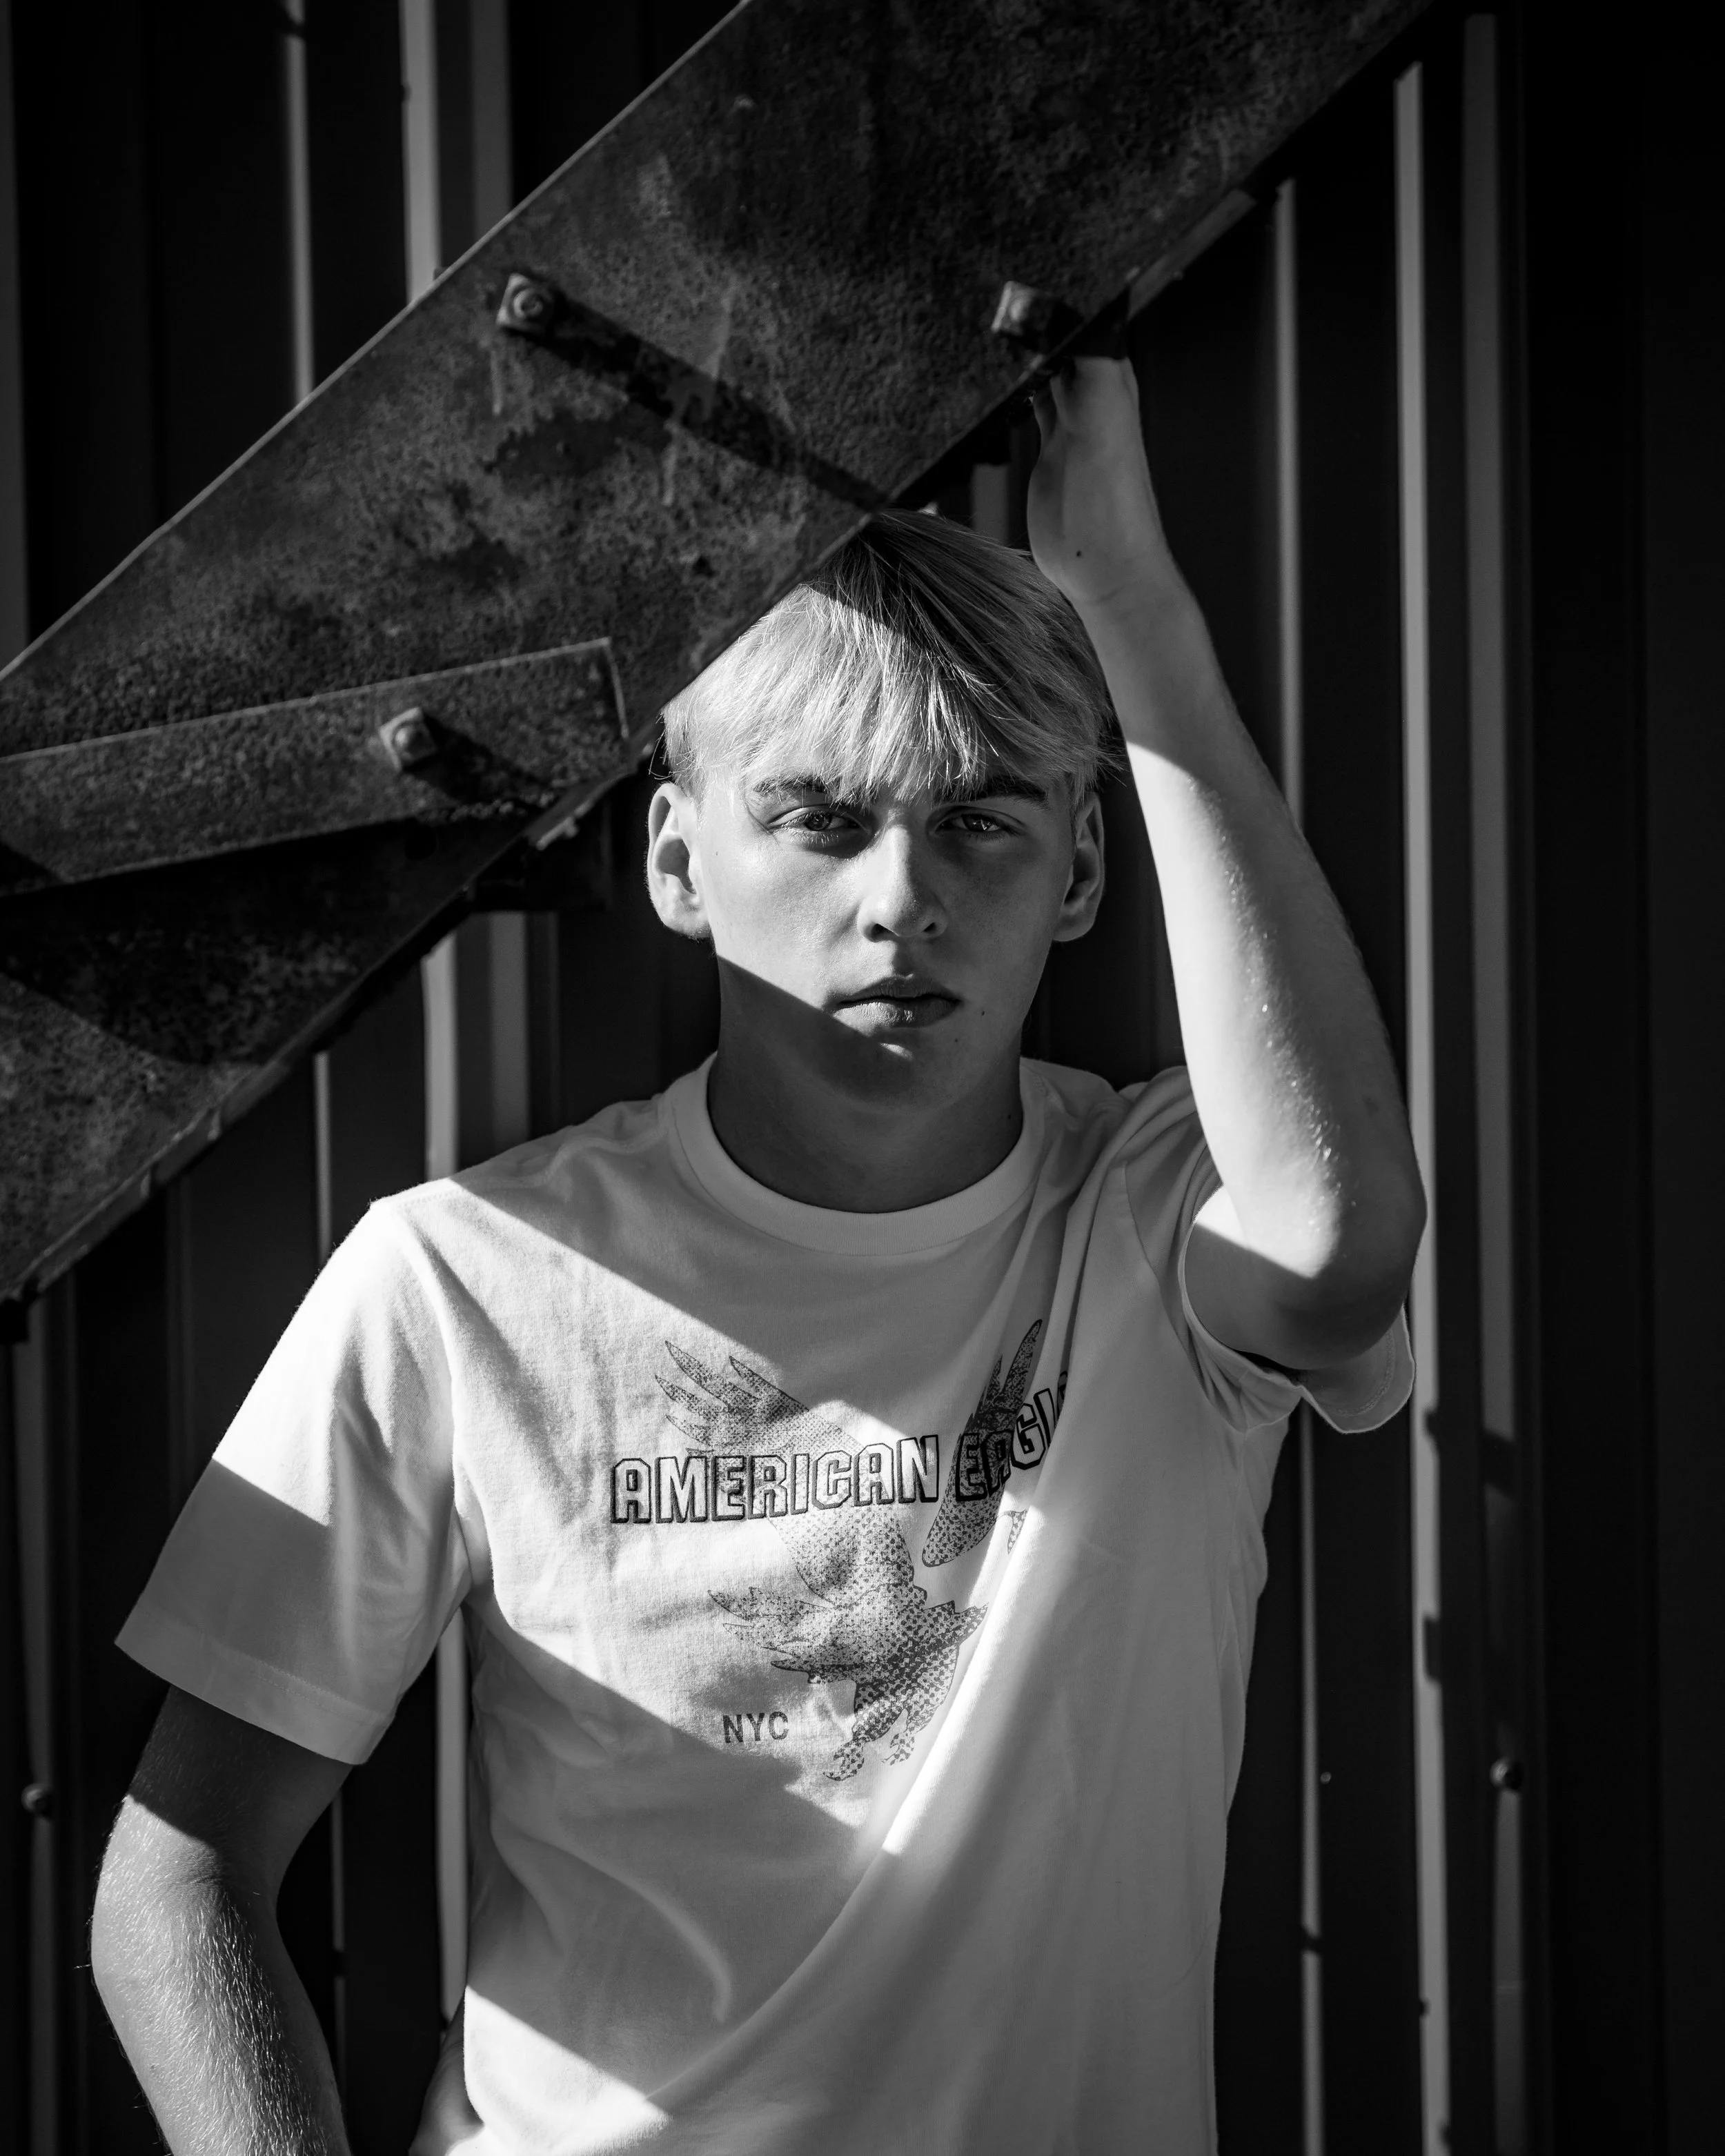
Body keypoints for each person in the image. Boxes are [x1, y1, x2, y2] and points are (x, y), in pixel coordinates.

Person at [92, 356, 1423, 2155]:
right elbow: (174, 1883)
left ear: (1083, 865)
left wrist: (1126, 590)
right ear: (676, 860)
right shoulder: (467, 1273)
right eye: (818, 816)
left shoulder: (1152, 1214)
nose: (900, 896)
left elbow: (1339, 1249)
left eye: (979, 818)